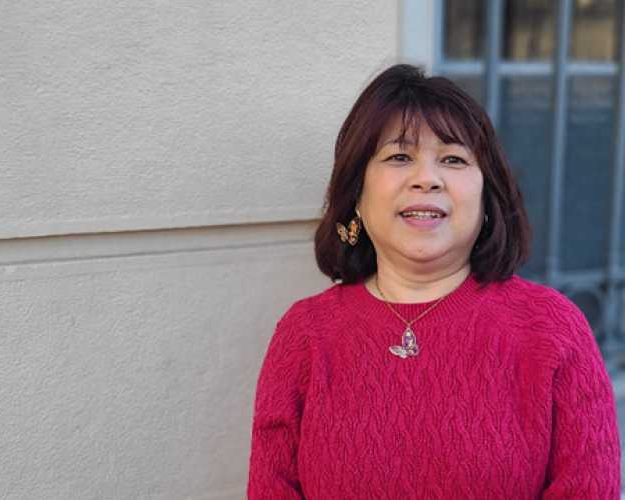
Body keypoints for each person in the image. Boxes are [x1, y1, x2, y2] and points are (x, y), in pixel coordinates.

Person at [246, 63, 622, 499]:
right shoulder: (305, 334)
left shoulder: (553, 329)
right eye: (399, 157)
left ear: (487, 197)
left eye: (453, 159)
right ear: (356, 194)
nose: (426, 179)